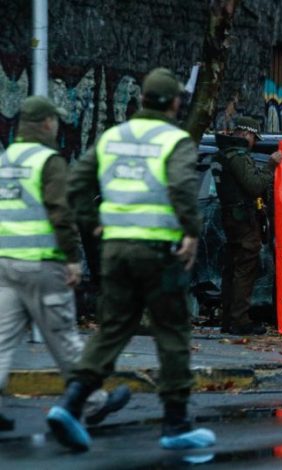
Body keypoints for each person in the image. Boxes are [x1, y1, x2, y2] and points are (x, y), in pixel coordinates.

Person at [47, 68, 215, 451]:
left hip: (116, 250)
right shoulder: (174, 140)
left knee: (112, 329)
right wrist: (191, 230)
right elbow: (180, 187)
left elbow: (77, 183)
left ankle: (71, 404)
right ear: (174, 103)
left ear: (143, 99)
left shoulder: (112, 137)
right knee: (172, 332)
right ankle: (176, 423)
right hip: (159, 253)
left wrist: (93, 224)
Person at [0, 96, 130, 432]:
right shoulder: (48, 161)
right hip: (43, 265)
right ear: (46, 123)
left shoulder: (6, 159)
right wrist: (72, 259)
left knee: (1, 339)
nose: (57, 125)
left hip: (5, 264)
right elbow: (60, 212)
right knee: (64, 338)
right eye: (55, 120)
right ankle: (93, 402)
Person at [213, 117, 271, 335]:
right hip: (243, 220)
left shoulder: (222, 153)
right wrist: (271, 167)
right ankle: (240, 320)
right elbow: (254, 185)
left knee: (233, 268)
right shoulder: (237, 156)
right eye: (254, 138)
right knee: (245, 268)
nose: (254, 143)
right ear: (247, 134)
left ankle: (229, 319)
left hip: (232, 218)